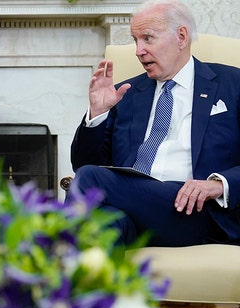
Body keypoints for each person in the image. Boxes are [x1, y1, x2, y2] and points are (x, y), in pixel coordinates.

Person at [69, 0, 240, 247]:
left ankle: (48, 274)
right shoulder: (125, 93)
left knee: (90, 179)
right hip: (133, 211)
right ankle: (95, 285)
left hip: (197, 213)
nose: (138, 50)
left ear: (181, 37)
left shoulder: (232, 84)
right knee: (102, 224)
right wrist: (97, 113)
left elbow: (89, 177)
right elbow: (84, 166)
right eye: (135, 40)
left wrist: (217, 185)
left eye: (148, 38)